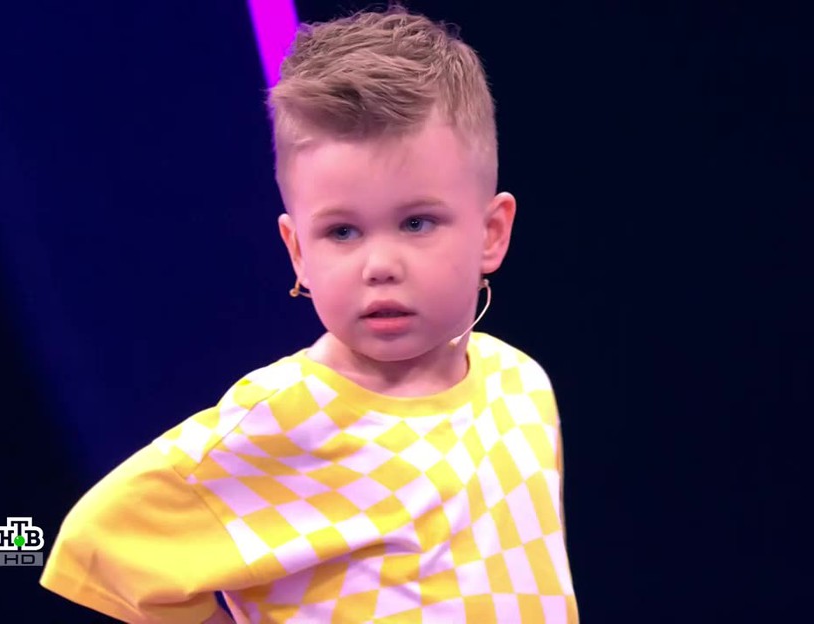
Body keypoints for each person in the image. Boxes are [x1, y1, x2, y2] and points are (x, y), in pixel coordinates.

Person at [39, 5, 578, 622]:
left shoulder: (521, 385)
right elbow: (102, 544)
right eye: (343, 232)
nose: (380, 264)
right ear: (298, 251)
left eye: (416, 223)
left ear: (492, 233)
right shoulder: (284, 416)